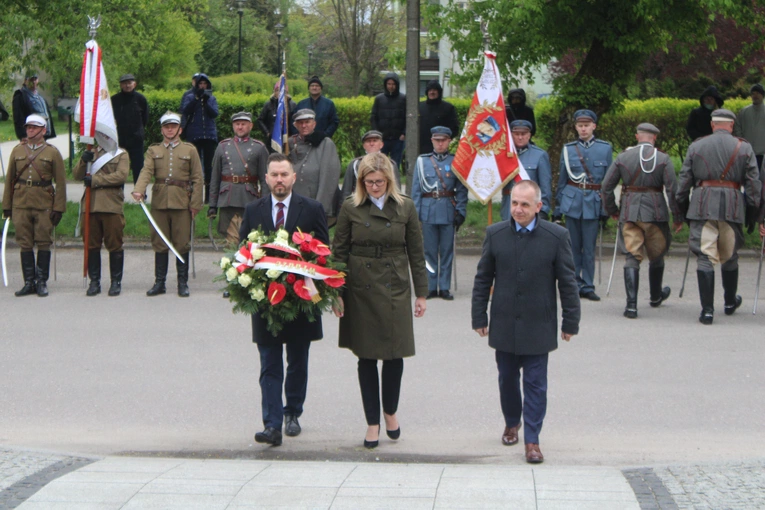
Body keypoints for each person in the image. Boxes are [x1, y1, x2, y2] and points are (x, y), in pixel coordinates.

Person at [472, 180, 580, 464]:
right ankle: (512, 421)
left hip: (538, 325)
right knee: (507, 379)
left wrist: (571, 322)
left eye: (524, 205)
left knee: (535, 384)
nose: (518, 210)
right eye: (514, 203)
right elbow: (483, 278)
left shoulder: (556, 236)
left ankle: (532, 440)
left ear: (538, 207)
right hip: (504, 322)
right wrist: (478, 316)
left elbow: (568, 283)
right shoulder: (495, 234)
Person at [332, 152, 428, 448]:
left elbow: (416, 252)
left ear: (390, 180)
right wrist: (336, 292)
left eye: (380, 182)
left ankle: (390, 412)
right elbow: (339, 251)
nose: (374, 187)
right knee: (366, 357)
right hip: (360, 287)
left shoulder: (405, 207)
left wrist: (421, 293)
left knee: (395, 354)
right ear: (361, 182)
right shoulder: (350, 207)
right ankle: (372, 421)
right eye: (369, 182)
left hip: (395, 284)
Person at [238, 152, 330, 447]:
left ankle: (293, 412)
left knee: (298, 361)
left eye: (284, 174)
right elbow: (243, 252)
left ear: (294, 177)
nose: (279, 180)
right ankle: (272, 424)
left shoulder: (312, 208)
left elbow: (324, 253)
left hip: (300, 300)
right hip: (265, 302)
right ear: (266, 179)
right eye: (274, 175)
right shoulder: (253, 210)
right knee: (269, 363)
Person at [676, 109, 761, 325]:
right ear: (731, 126)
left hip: (702, 205)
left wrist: (683, 209)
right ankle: (730, 301)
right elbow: (753, 184)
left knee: (705, 256)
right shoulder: (744, 147)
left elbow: (684, 181)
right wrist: (752, 214)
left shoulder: (696, 145)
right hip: (732, 206)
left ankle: (707, 311)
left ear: (713, 125)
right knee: (729, 254)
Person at [601, 123, 683, 318]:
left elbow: (605, 187)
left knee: (632, 255)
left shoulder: (622, 157)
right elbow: (672, 190)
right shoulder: (663, 158)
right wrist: (678, 216)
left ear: (637, 136)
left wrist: (612, 210)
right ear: (654, 138)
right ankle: (655, 296)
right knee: (657, 254)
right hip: (656, 212)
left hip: (629, 212)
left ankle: (631, 306)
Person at [132, 111, 203, 298]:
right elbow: (146, 171)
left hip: (182, 203)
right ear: (162, 129)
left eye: (173, 126)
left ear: (179, 129)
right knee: (160, 243)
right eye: (166, 126)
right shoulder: (154, 150)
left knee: (181, 244)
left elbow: (197, 178)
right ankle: (160, 282)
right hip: (160, 202)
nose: (170, 130)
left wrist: (195, 203)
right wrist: (139, 189)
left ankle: (182, 283)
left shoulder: (190, 150)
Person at [2, 114, 66, 297]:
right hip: (21, 203)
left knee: (44, 242)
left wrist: (58, 208)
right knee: (25, 243)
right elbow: (9, 180)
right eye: (28, 127)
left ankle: (41, 282)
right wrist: (7, 205)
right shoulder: (17, 151)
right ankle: (29, 282)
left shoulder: (52, 152)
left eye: (34, 127)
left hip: (43, 203)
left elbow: (60, 183)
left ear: (43, 131)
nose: (29, 130)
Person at [553, 109, 613, 301]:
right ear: (576, 127)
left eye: (587, 125)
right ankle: (574, 284)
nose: (583, 129)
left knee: (588, 247)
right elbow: (562, 180)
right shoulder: (568, 149)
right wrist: (557, 208)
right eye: (580, 125)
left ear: (594, 126)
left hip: (593, 202)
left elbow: (609, 182)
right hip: (572, 201)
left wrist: (606, 208)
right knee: (572, 246)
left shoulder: (605, 148)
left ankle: (587, 284)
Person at [411, 126, 468, 300]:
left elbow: (461, 189)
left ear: (449, 141)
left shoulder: (456, 161)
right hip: (428, 211)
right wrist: (416, 215)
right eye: (437, 140)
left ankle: (444, 287)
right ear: (432, 141)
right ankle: (430, 286)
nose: (440, 143)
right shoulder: (422, 161)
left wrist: (461, 211)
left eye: (443, 140)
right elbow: (416, 191)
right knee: (428, 252)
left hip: (448, 211)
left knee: (446, 251)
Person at [73, 136, 130, 297]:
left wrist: (96, 180)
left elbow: (121, 176)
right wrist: (83, 161)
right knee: (91, 245)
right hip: (90, 206)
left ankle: (115, 282)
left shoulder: (120, 153)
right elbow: (77, 175)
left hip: (111, 205)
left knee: (115, 244)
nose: (103, 137)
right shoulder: (92, 151)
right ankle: (94, 282)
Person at [208, 111, 269, 248]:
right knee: (230, 243)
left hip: (248, 199)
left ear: (251, 126)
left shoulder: (259, 148)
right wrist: (212, 204)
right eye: (237, 124)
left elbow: (265, 179)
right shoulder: (222, 147)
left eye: (243, 124)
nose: (240, 127)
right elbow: (215, 178)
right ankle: (230, 268)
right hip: (227, 200)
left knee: (249, 241)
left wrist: (265, 202)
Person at [287, 109, 342, 219]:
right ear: (295, 125)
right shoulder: (289, 143)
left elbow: (329, 177)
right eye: (300, 123)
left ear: (314, 124)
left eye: (307, 122)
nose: (304, 125)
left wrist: (321, 206)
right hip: (294, 200)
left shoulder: (325, 143)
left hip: (314, 199)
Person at [500, 120, 552, 221]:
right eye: (516, 134)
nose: (520, 137)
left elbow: (545, 187)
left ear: (529, 135)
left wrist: (543, 211)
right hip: (509, 205)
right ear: (511, 135)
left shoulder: (539, 155)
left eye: (523, 134)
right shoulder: (503, 155)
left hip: (529, 206)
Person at [180, 73, 219, 203]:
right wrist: (196, 99)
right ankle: (194, 195)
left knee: (208, 167)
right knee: (194, 166)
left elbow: (214, 114)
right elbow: (185, 110)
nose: (202, 86)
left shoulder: (211, 98)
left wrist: (206, 101)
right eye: (200, 84)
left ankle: (209, 197)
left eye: (204, 84)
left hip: (208, 135)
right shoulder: (190, 96)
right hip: (194, 134)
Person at [111, 73, 149, 185]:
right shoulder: (114, 100)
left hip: (136, 140)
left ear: (134, 84)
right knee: (119, 167)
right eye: (124, 83)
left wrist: (138, 132)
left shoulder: (141, 99)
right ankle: (118, 194)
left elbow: (145, 119)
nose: (127, 85)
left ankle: (140, 194)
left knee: (138, 168)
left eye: (129, 83)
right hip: (120, 140)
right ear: (121, 85)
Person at [341, 130, 400, 201]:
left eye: (375, 141)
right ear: (364, 145)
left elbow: (397, 190)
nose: (372, 143)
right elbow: (346, 192)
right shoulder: (355, 164)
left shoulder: (390, 164)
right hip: (361, 204)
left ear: (381, 144)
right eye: (368, 141)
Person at [370, 72, 406, 171]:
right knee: (381, 165)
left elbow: (407, 118)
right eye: (389, 84)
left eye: (393, 84)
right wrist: (377, 133)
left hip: (398, 139)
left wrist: (404, 133)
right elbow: (373, 117)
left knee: (395, 165)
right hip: (382, 138)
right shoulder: (379, 99)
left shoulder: (403, 99)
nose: (391, 86)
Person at [419, 80, 459, 156]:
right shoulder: (420, 107)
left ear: (439, 92)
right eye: (430, 90)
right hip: (422, 146)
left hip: (441, 146)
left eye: (434, 90)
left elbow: (454, 128)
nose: (432, 92)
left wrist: (445, 140)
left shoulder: (448, 108)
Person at [12, 74, 56, 142]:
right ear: (25, 81)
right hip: (31, 135)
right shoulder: (20, 96)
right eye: (31, 80)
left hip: (43, 134)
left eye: (35, 79)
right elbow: (18, 117)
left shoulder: (39, 97)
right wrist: (23, 134)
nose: (34, 82)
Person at [257, 80, 298, 152]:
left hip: (288, 138)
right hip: (272, 139)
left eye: (283, 91)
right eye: (277, 90)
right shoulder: (268, 104)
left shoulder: (292, 104)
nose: (280, 93)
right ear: (274, 92)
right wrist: (267, 132)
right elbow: (260, 120)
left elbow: (296, 121)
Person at [733, 83, 765, 170]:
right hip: (746, 151)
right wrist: (742, 140)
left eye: (758, 93)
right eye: (753, 93)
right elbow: (737, 126)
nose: (755, 96)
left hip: (762, 153)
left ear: (762, 95)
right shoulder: (744, 111)